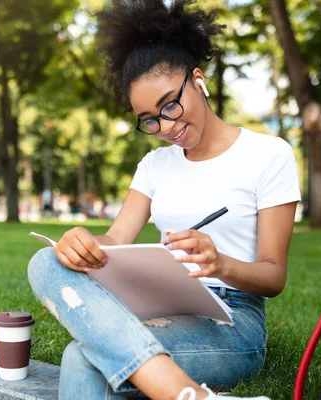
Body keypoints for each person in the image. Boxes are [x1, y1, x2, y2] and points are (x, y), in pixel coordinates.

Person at [28, 1, 301, 399]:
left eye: (170, 105)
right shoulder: (155, 165)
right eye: (150, 120)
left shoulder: (268, 154)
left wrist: (220, 263)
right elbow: (115, 238)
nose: (166, 126)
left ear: (198, 79)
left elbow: (274, 275)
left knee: (83, 359)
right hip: (160, 308)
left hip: (233, 322)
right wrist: (81, 242)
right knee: (45, 261)